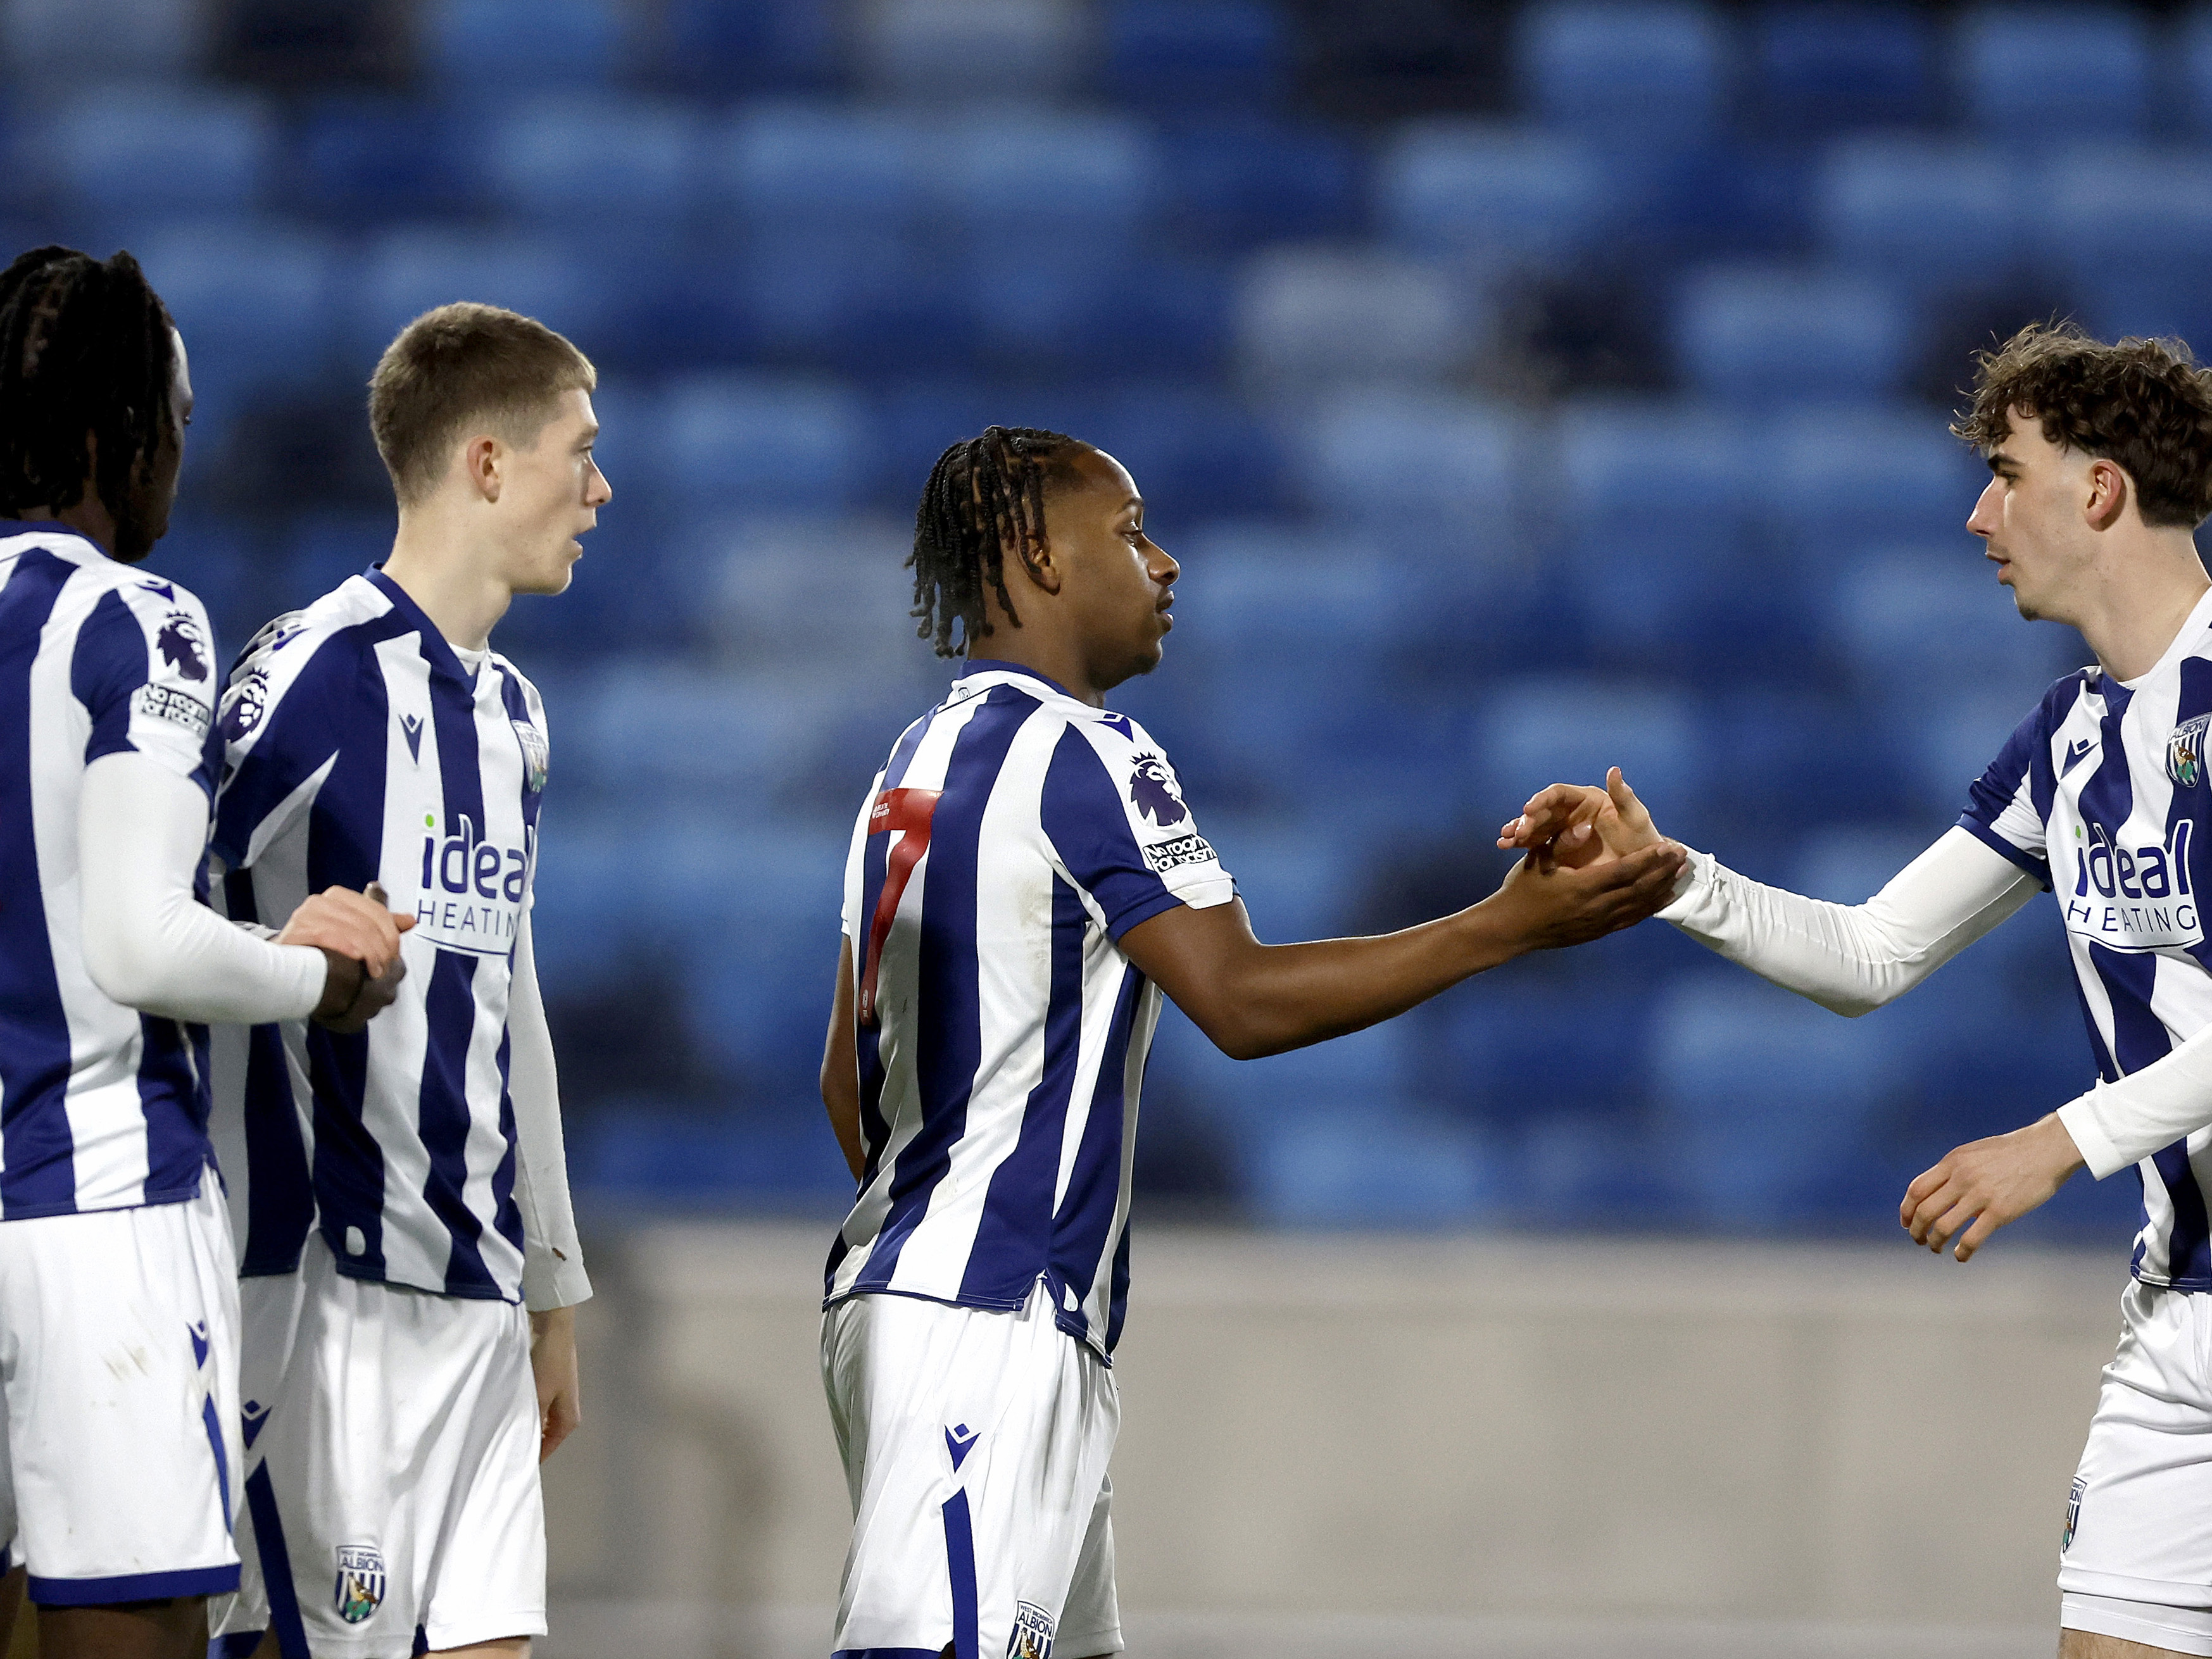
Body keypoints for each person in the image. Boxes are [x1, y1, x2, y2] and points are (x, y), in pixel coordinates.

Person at [817, 425, 1685, 1659]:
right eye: (1126, 531)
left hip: (916, 1306)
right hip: (988, 1323)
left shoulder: (904, 773)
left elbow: (846, 1084)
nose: (1164, 562)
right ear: (1037, 556)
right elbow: (1238, 998)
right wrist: (1506, 928)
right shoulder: (1088, 751)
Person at [1503, 323, 2212, 1659]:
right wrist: (1676, 882)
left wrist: (2061, 1141)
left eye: (2006, 473)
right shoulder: (2068, 739)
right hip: (2180, 1323)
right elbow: (1874, 954)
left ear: (2100, 490)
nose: (1976, 513)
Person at [0, 245, 408, 1659]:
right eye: (176, 418)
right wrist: (316, 973)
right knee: (137, 1630)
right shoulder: (133, 618)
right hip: (95, 1212)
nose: (187, 449)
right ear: (117, 436)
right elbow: (134, 942)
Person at [203, 302, 603, 1659]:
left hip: (481, 1300)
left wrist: (550, 1284)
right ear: (487, 463)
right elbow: (143, 922)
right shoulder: (306, 677)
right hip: (331, 1304)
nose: (599, 491)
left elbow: (511, 1005)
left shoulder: (514, 716)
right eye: (579, 453)